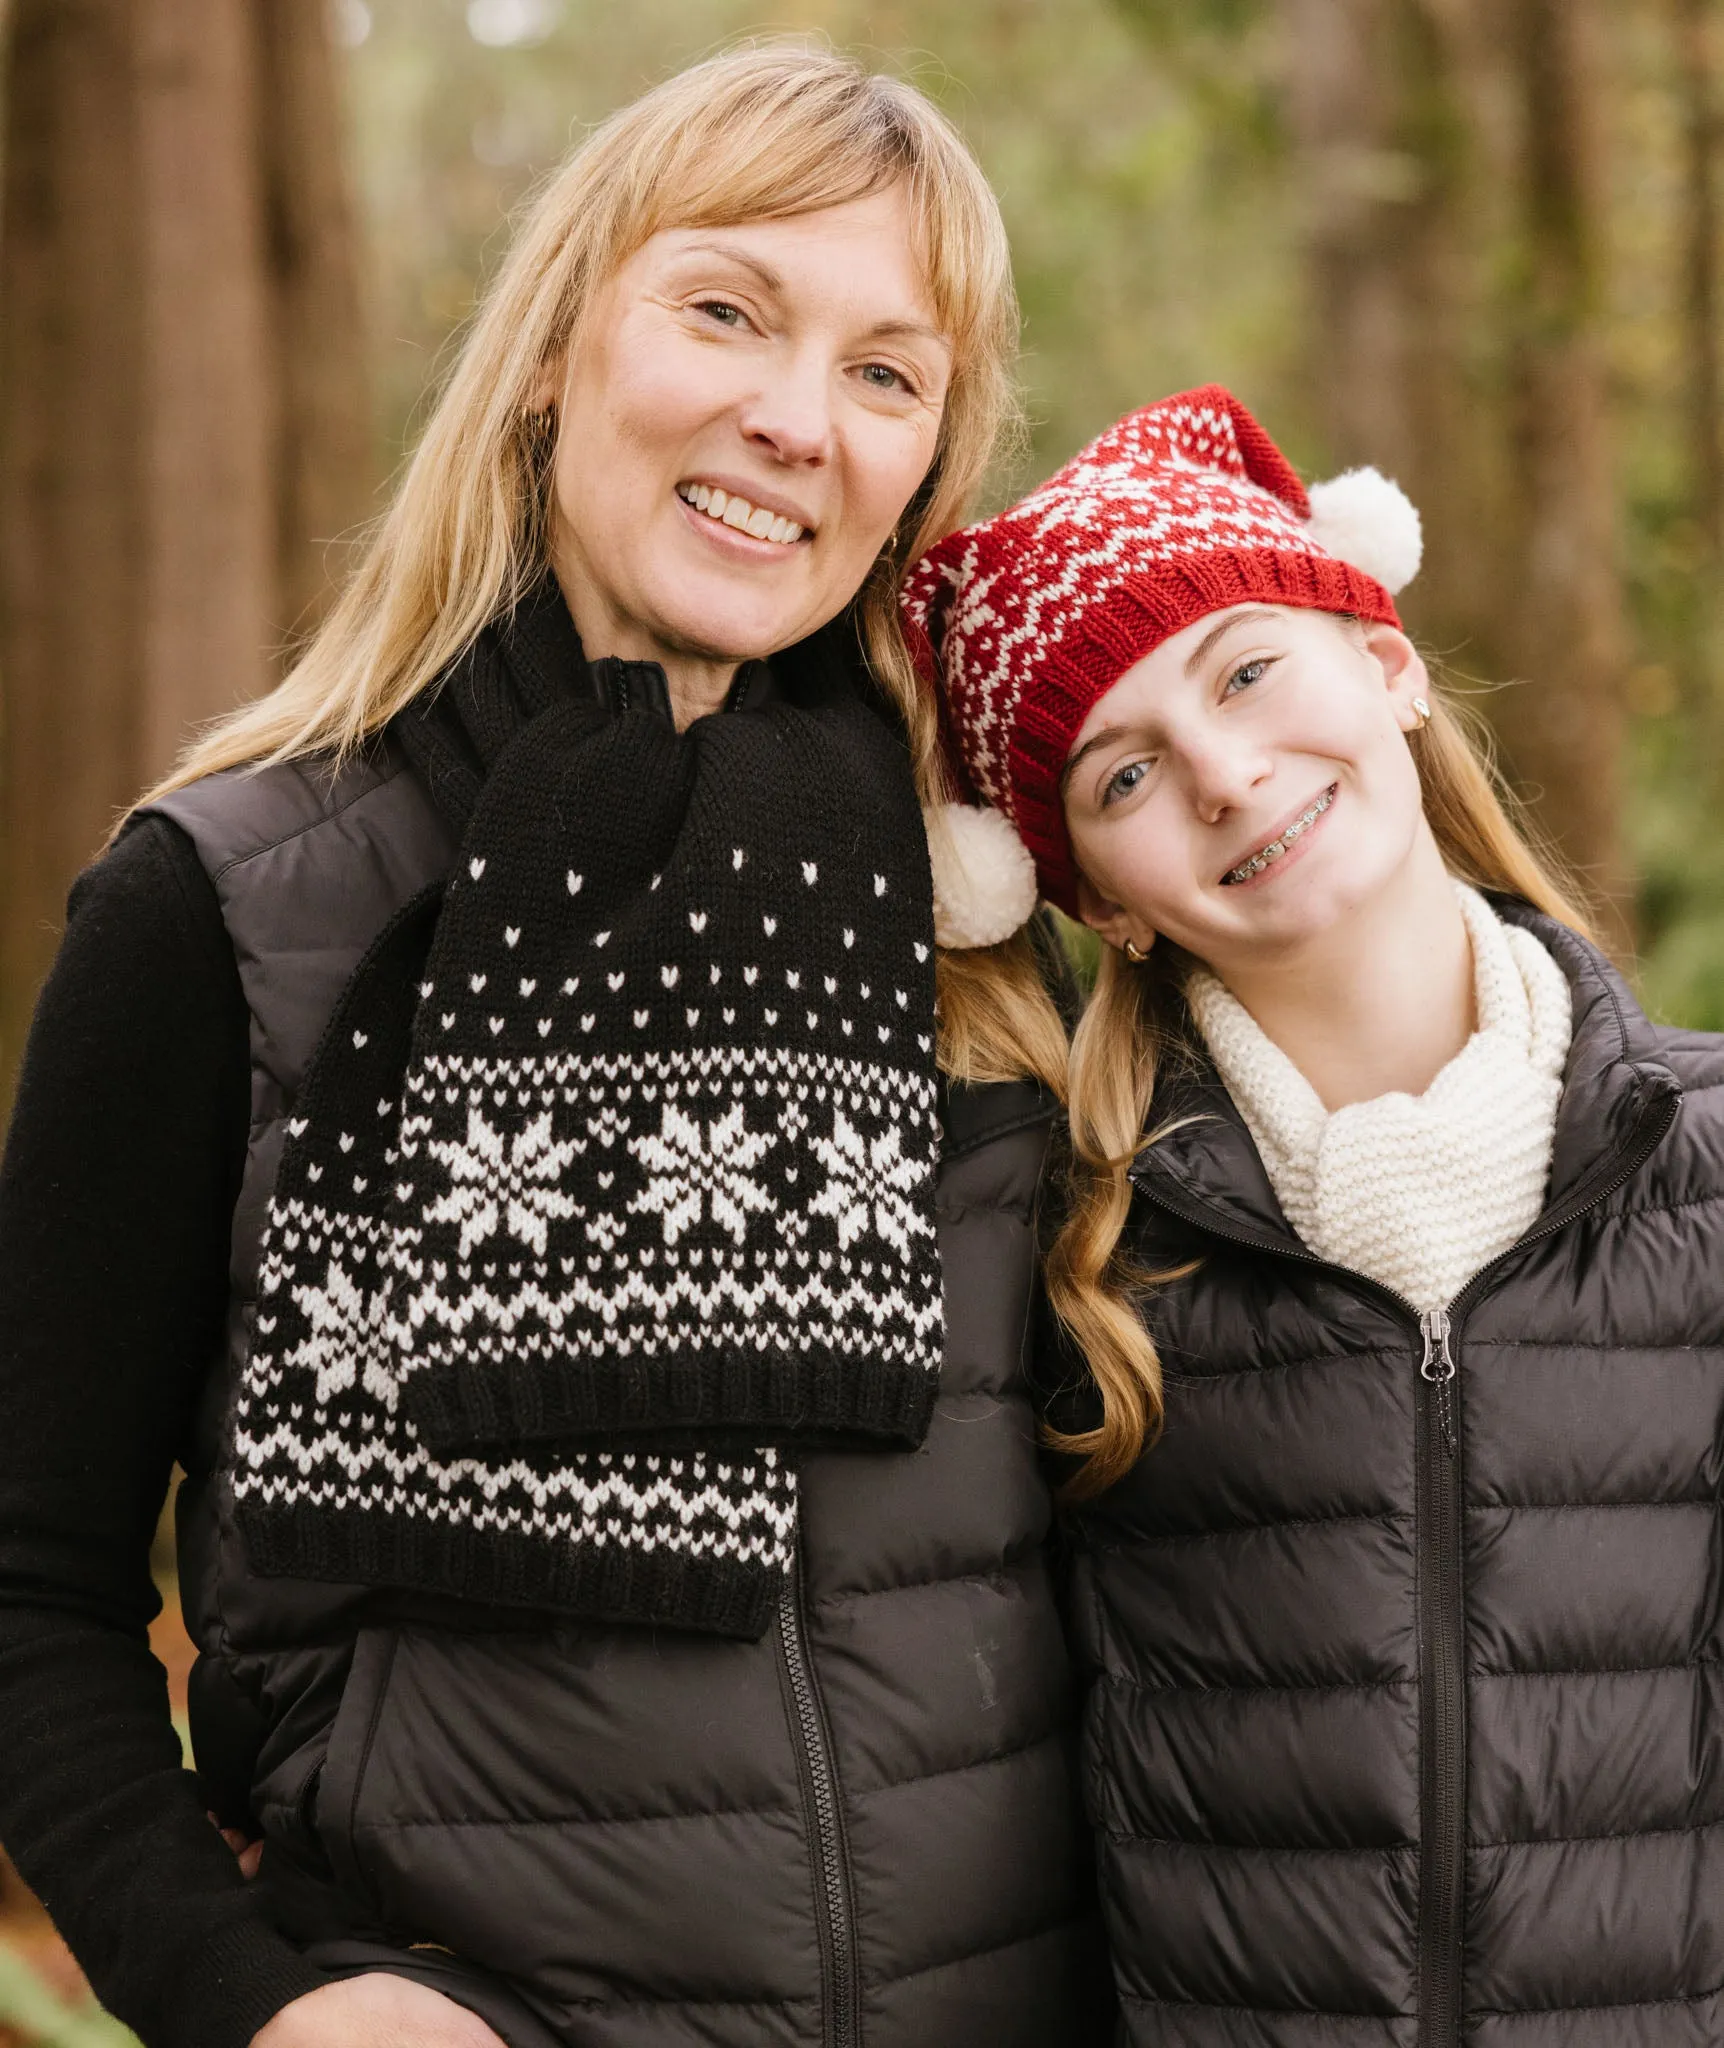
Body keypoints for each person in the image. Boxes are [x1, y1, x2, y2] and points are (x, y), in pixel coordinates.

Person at [0, 45, 1109, 2048]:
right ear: (547, 351)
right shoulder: (227, 904)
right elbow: (27, 1581)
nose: (793, 419)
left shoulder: (996, 931)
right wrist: (245, 1996)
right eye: (725, 311)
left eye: (884, 370)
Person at [906, 384, 1724, 2043]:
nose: (1223, 772)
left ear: (1390, 664)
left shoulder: (1699, 1166)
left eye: (1249, 668)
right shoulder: (1063, 1264)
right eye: (1124, 773)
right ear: (1103, 911)